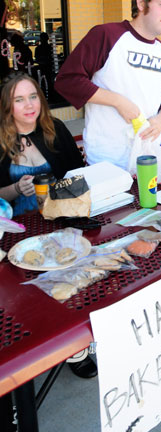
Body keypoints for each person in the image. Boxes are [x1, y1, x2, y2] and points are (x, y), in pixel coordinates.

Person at [0, 72, 96, 379]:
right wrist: (17, 189)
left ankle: (76, 342)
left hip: (58, 219)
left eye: (33, 97)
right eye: (19, 100)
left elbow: (77, 176)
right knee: (25, 293)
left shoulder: (56, 129)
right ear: (7, 106)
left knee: (73, 279)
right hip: (15, 229)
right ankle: (44, 343)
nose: (29, 106)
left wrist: (55, 189)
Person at [54, 0, 161, 170]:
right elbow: (67, 80)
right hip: (107, 158)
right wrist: (118, 101)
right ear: (141, 3)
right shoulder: (107, 35)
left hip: (149, 155)